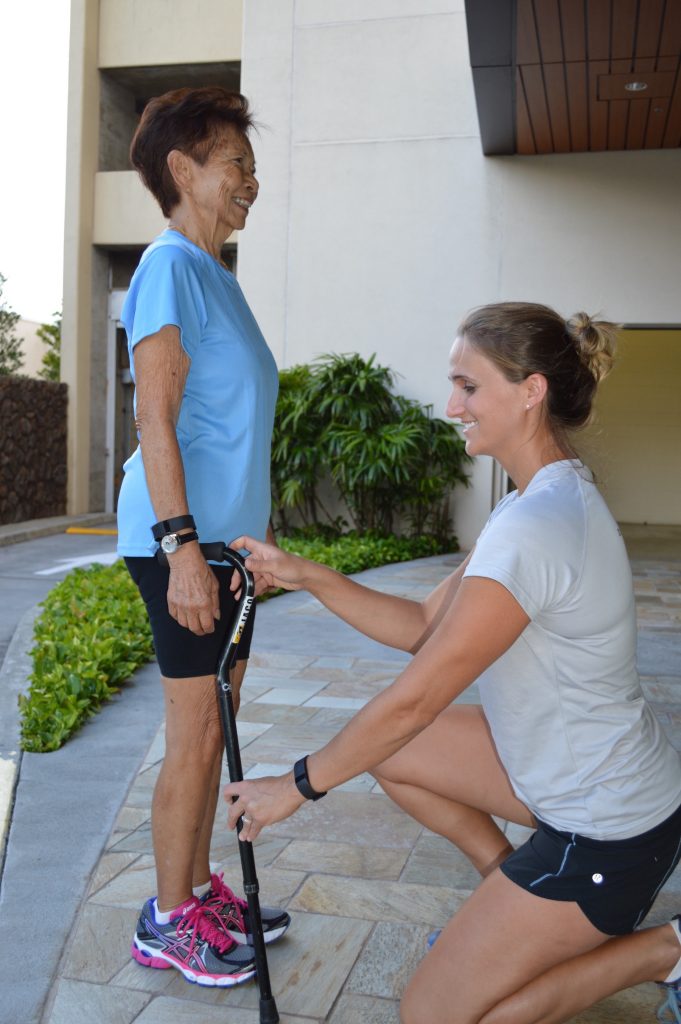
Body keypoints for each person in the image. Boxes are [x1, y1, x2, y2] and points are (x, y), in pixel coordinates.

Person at [223, 301, 681, 1023]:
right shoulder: (533, 502)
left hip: (607, 829)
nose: (450, 405)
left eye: (467, 385)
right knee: (395, 753)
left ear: (529, 391)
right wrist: (305, 573)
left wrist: (297, 786)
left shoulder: (537, 527)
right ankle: (513, 897)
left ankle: (664, 951)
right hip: (584, 779)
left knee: (434, 1015)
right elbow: (420, 628)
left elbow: (418, 697)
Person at [116, 86, 290, 988]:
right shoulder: (168, 267)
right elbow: (156, 417)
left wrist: (253, 544)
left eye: (253, 166)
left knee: (215, 729)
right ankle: (168, 918)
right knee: (192, 736)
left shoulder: (219, 276)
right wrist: (183, 547)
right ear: (182, 170)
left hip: (226, 552)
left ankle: (196, 887)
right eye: (236, 163)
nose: (251, 181)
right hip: (182, 549)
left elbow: (232, 428)